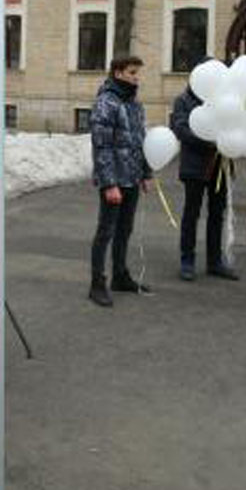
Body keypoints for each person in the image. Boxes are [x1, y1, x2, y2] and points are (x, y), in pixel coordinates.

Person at [88, 55, 153, 307]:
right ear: (118, 73)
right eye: (132, 72)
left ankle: (120, 275)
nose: (136, 77)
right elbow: (101, 146)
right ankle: (97, 283)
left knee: (125, 229)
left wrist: (146, 173)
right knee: (106, 231)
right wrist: (109, 184)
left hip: (132, 177)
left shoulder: (134, 104)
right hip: (114, 179)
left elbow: (140, 140)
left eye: (137, 73)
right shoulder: (106, 102)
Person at [169, 68, 239, 281]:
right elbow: (180, 129)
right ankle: (187, 261)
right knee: (192, 214)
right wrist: (210, 142)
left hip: (220, 166)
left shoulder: (222, 98)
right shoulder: (183, 100)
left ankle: (214, 261)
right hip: (194, 166)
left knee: (217, 214)